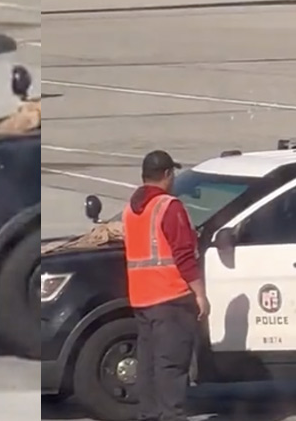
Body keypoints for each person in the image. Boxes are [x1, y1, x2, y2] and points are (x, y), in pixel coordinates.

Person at [123, 150, 206, 421]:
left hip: (142, 299)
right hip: (170, 298)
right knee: (171, 368)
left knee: (148, 367)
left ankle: (148, 416)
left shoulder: (131, 209)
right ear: (168, 174)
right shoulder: (168, 207)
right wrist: (200, 294)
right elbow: (183, 254)